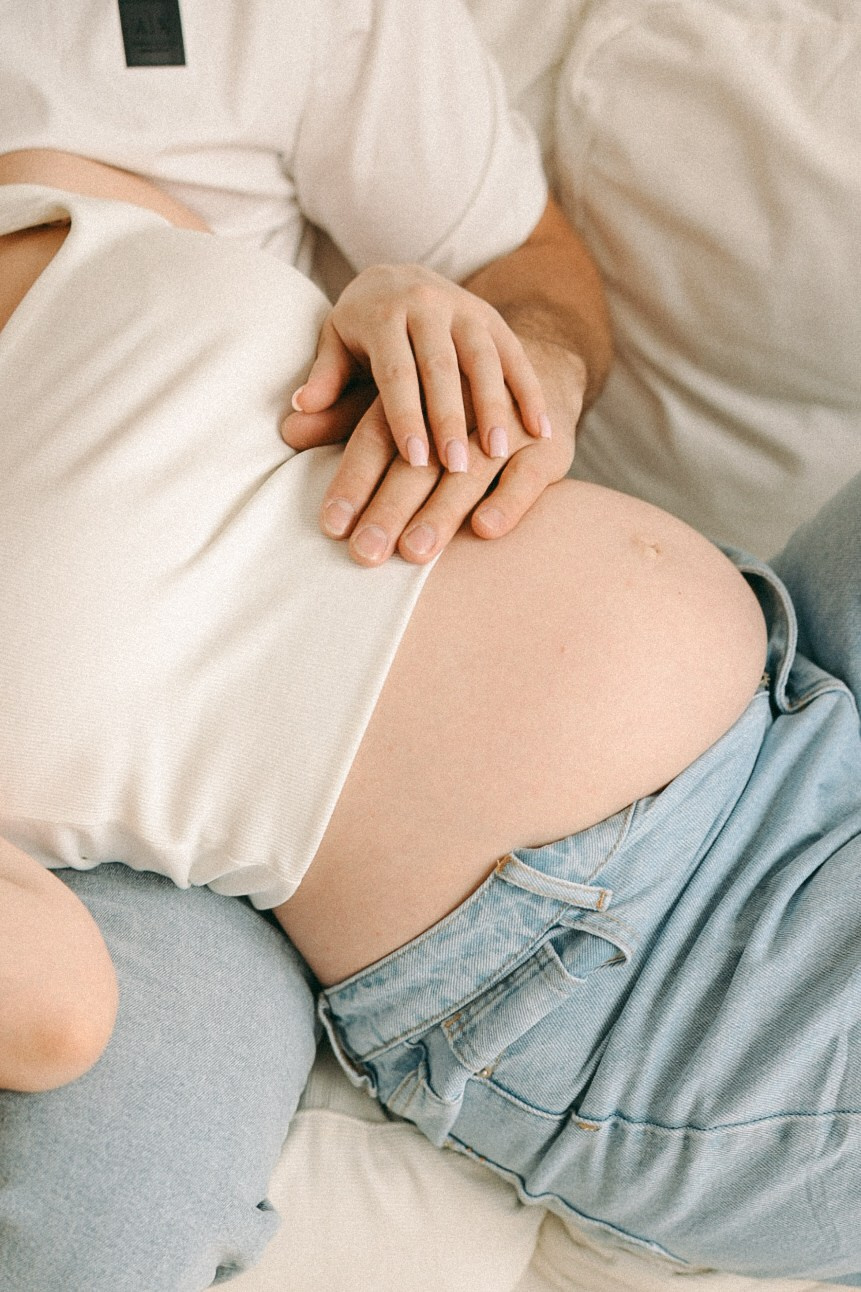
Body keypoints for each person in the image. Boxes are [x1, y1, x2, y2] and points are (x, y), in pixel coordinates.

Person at [2, 152, 861, 1291]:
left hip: (793, 669)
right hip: (653, 978)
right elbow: (60, 1015)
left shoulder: (37, 186)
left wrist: (398, 303)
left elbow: (278, 339)